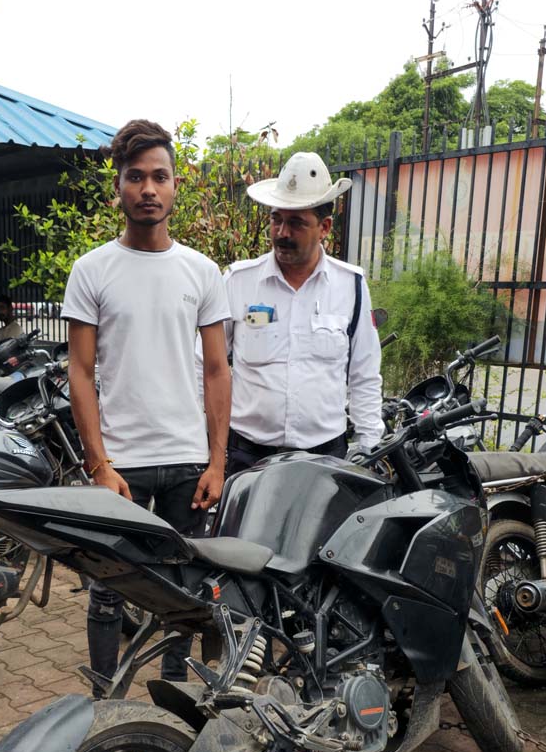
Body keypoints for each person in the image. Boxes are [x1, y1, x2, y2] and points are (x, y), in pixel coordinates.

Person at [65, 119, 231, 685]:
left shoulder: (201, 272)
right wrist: (98, 464)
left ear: (176, 185)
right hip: (122, 465)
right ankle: (104, 703)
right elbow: (80, 372)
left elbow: (217, 370)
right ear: (119, 187)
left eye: (159, 176)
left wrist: (217, 461)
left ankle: (173, 696)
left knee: (181, 590)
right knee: (108, 590)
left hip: (187, 462)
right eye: (135, 177)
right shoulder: (92, 270)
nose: (148, 189)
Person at [224, 152, 384, 476]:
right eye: (276, 219)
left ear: (324, 227)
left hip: (325, 459)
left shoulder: (350, 285)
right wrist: (209, 446)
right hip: (247, 458)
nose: (282, 232)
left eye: (296, 223)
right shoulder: (239, 282)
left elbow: (364, 374)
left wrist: (369, 447)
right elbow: (205, 365)